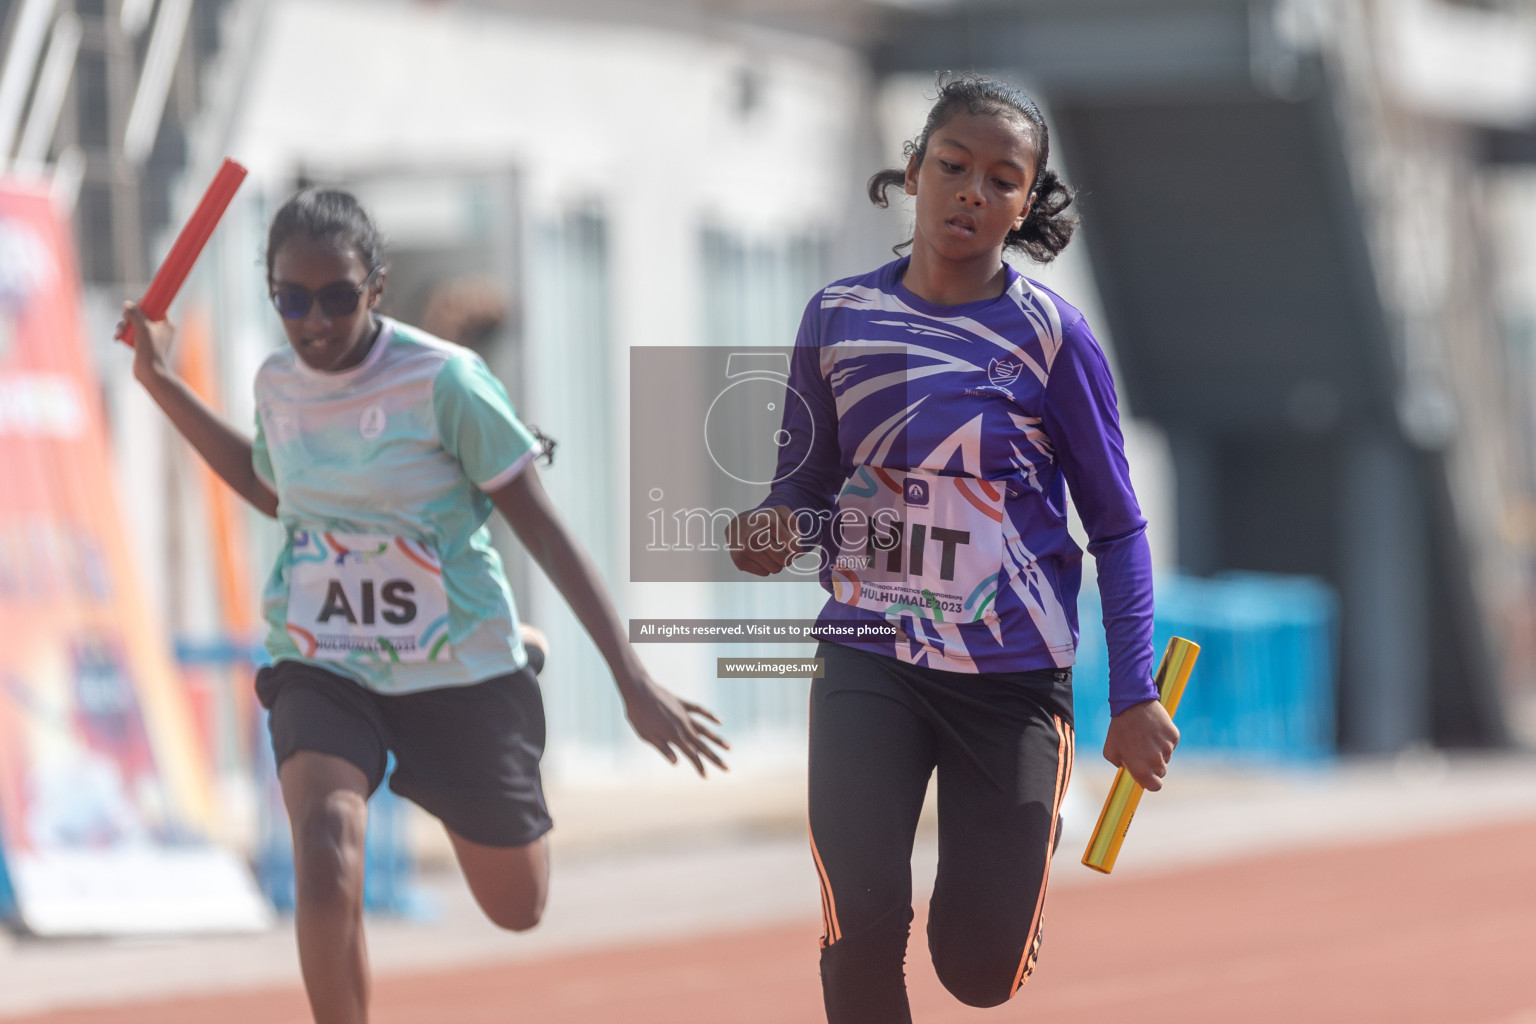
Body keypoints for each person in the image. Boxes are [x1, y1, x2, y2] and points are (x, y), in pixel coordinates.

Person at [122, 188, 728, 1024]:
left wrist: (630, 680)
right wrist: (158, 383)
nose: (316, 321)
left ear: (375, 284)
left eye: (337, 296)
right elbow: (273, 490)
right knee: (327, 858)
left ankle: (517, 655)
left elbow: (546, 535)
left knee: (519, 905)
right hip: (324, 658)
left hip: (458, 669)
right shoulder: (276, 384)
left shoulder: (446, 381)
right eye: (291, 300)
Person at [727, 74, 1178, 1023]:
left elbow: (1119, 528)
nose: (973, 190)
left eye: (1002, 179)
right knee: (861, 919)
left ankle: (1004, 901)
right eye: (954, 166)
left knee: (978, 971)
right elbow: (804, 484)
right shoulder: (838, 316)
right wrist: (774, 529)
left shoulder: (1051, 338)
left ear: (1025, 204)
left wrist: (1133, 692)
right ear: (913, 173)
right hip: (867, 654)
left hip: (1008, 679)